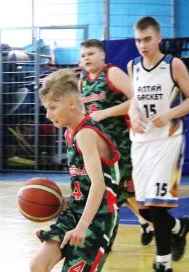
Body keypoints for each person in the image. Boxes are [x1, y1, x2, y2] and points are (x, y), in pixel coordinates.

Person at [8, 69, 124, 272]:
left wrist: (83, 225)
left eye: (52, 107)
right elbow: (83, 185)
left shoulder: (86, 134)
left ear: (73, 103)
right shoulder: (70, 132)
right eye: (46, 108)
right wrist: (63, 203)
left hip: (98, 217)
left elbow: (99, 185)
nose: (48, 114)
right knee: (37, 266)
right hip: (76, 210)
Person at [128, 16, 189, 272]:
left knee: (157, 208)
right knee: (145, 209)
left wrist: (169, 114)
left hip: (167, 141)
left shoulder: (173, 65)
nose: (142, 45)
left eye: (147, 39)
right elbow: (134, 99)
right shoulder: (133, 66)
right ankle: (178, 228)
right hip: (140, 142)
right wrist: (134, 114)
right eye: (138, 40)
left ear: (159, 38)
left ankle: (164, 271)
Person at [78, 39, 154, 246]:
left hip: (121, 143)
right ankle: (145, 223)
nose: (86, 58)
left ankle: (160, 225)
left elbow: (137, 98)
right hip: (99, 146)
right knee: (113, 190)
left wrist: (105, 113)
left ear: (102, 55)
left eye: (91, 54)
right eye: (83, 55)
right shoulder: (82, 81)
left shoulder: (112, 73)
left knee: (125, 189)